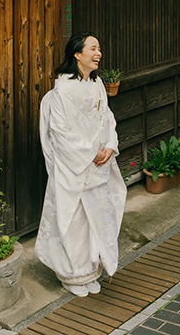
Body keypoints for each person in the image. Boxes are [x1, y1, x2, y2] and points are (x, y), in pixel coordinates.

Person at [36, 32, 126, 297]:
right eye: (93, 49)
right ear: (77, 54)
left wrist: (109, 145)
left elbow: (107, 118)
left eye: (99, 49)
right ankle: (71, 275)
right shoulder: (62, 90)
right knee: (72, 220)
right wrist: (90, 153)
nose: (98, 53)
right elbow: (60, 132)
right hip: (73, 166)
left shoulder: (97, 85)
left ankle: (89, 271)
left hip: (97, 163)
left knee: (94, 219)